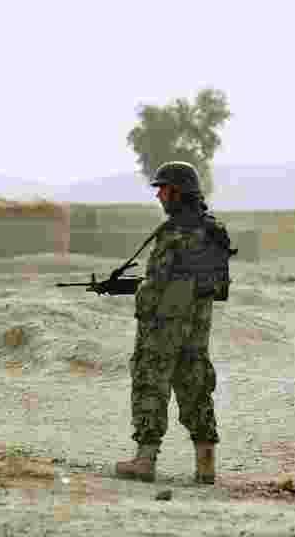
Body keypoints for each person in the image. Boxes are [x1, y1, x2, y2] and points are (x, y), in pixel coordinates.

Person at [115, 161, 234, 484]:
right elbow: (215, 286)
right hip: (198, 326)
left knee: (150, 380)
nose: (160, 196)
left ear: (177, 192)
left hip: (163, 327)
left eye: (163, 189)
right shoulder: (212, 231)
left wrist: (140, 297)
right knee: (196, 385)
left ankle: (144, 460)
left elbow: (154, 287)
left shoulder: (172, 234)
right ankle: (206, 464)